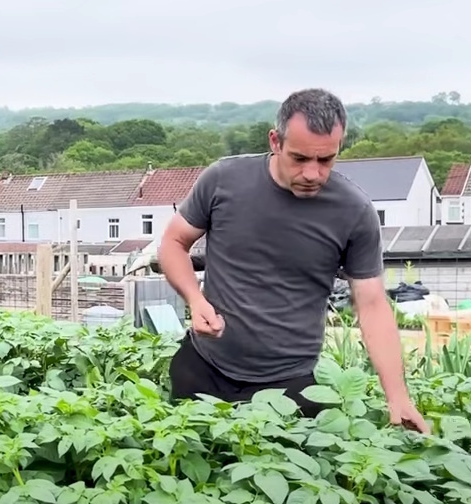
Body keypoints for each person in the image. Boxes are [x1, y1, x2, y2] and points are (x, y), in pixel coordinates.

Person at [157, 88, 429, 433]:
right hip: (203, 368)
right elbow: (173, 243)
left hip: (290, 388)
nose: (313, 173)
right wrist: (194, 299)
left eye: (326, 160)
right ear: (275, 141)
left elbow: (372, 303)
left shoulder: (353, 212)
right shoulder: (223, 180)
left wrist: (398, 397)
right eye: (300, 158)